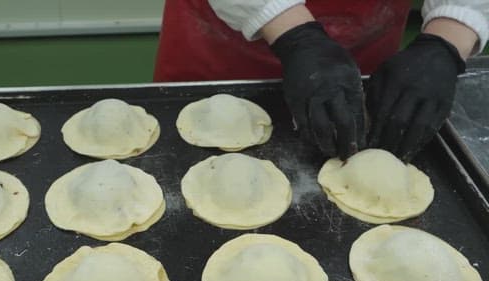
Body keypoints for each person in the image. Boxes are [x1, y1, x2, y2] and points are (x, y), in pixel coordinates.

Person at [154, 1, 489, 161]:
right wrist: (295, 35)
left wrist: (446, 40)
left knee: (359, 139)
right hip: (223, 49)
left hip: (367, 46)